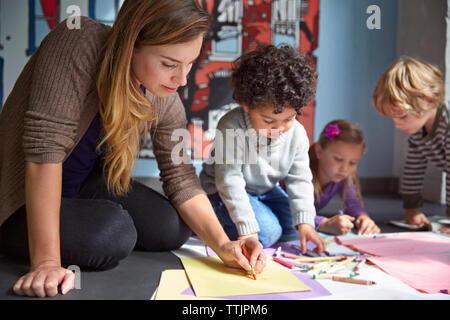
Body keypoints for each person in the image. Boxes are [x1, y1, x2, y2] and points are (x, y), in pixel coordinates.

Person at [0, 0, 265, 298]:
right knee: (113, 232)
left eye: (189, 63)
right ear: (131, 44)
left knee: (171, 226)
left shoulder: (164, 97)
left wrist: (224, 244)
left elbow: (181, 178)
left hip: (81, 185)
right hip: (19, 200)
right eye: (169, 64)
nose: (182, 80)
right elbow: (43, 150)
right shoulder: (77, 40)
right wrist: (46, 263)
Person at [199, 44, 326, 252]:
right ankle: (209, 218)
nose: (279, 128)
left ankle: (259, 215)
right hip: (221, 190)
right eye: (268, 121)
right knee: (268, 233)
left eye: (289, 119)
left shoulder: (297, 134)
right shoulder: (231, 126)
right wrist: (247, 229)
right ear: (246, 106)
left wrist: (306, 222)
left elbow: (300, 178)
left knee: (294, 226)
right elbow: (229, 181)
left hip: (264, 191)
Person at [372, 56, 449, 234]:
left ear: (429, 100)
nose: (397, 125)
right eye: (393, 119)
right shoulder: (417, 133)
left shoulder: (447, 125)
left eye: (403, 117)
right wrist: (411, 209)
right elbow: (413, 169)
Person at [309, 120, 380, 235]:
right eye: (338, 159)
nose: (345, 168)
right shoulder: (302, 171)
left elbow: (353, 204)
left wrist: (363, 218)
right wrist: (323, 223)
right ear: (319, 151)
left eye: (353, 162)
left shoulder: (342, 176)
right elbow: (287, 211)